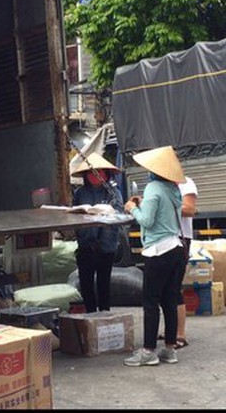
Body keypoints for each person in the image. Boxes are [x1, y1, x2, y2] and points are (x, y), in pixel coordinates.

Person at [123, 146, 186, 366]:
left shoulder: (153, 188)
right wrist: (142, 204)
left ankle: (148, 351)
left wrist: (132, 208)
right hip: (176, 249)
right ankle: (169, 349)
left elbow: (147, 221)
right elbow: (160, 213)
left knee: (150, 302)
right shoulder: (173, 189)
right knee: (169, 300)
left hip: (158, 251)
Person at [71, 152, 123, 313]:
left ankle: (105, 313)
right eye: (91, 173)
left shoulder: (113, 192)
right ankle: (90, 313)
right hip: (86, 246)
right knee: (86, 283)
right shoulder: (80, 193)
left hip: (106, 247)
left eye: (99, 172)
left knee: (103, 283)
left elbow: (119, 215)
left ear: (105, 174)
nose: (95, 176)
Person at [159, 175, 197, 348]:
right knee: (163, 288)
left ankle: (180, 335)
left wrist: (165, 205)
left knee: (174, 287)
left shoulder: (185, 183)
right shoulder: (157, 184)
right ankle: (170, 330)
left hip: (180, 238)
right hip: (162, 238)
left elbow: (189, 209)